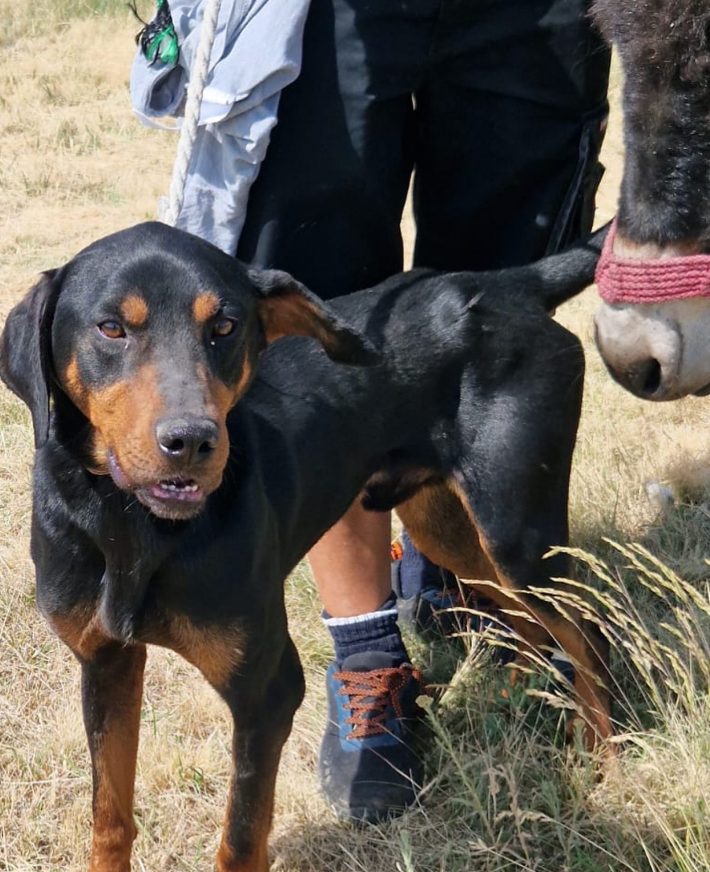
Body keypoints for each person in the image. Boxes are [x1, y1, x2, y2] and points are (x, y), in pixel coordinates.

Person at [145, 0, 611, 823]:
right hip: (320, 15)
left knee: (496, 315)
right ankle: (367, 653)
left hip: (540, 20)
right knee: (309, 332)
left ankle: (485, 595)